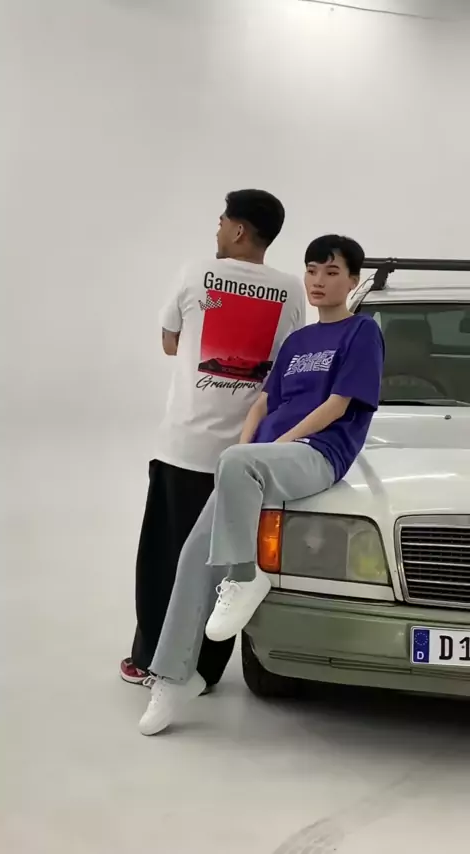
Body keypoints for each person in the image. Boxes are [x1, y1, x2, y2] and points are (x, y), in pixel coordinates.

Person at [137, 233, 385, 736]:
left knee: (237, 469)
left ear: (353, 281)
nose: (318, 281)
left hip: (318, 453)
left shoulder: (362, 332)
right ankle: (174, 677)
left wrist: (272, 447)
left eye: (331, 272)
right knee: (193, 557)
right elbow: (263, 403)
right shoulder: (297, 342)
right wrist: (244, 447)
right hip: (261, 461)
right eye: (311, 270)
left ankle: (245, 577)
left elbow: (338, 406)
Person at [121, 189, 306, 691]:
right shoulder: (292, 290)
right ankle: (204, 670)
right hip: (245, 460)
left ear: (240, 230)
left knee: (164, 559)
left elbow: (169, 343)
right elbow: (287, 364)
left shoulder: (196, 272)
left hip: (184, 447)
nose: (218, 229)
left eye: (222, 221)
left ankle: (151, 660)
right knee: (225, 566)